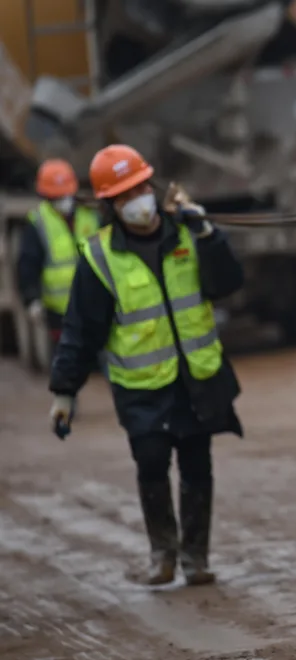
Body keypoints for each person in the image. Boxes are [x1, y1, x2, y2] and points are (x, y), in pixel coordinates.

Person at [47, 144, 245, 587]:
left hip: (195, 378)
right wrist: (64, 392)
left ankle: (195, 558)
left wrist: (210, 232)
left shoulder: (189, 233)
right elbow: (81, 332)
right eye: (123, 195)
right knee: (152, 463)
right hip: (141, 387)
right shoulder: (99, 258)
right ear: (110, 205)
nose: (134, 200)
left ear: (152, 187)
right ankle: (163, 554)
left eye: (138, 188)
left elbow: (228, 282)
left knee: (197, 465)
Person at [17, 158, 102, 346]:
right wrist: (32, 299)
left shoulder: (91, 215)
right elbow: (28, 264)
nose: (62, 201)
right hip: (59, 312)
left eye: (65, 195)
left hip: (95, 304)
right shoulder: (38, 222)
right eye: (56, 197)